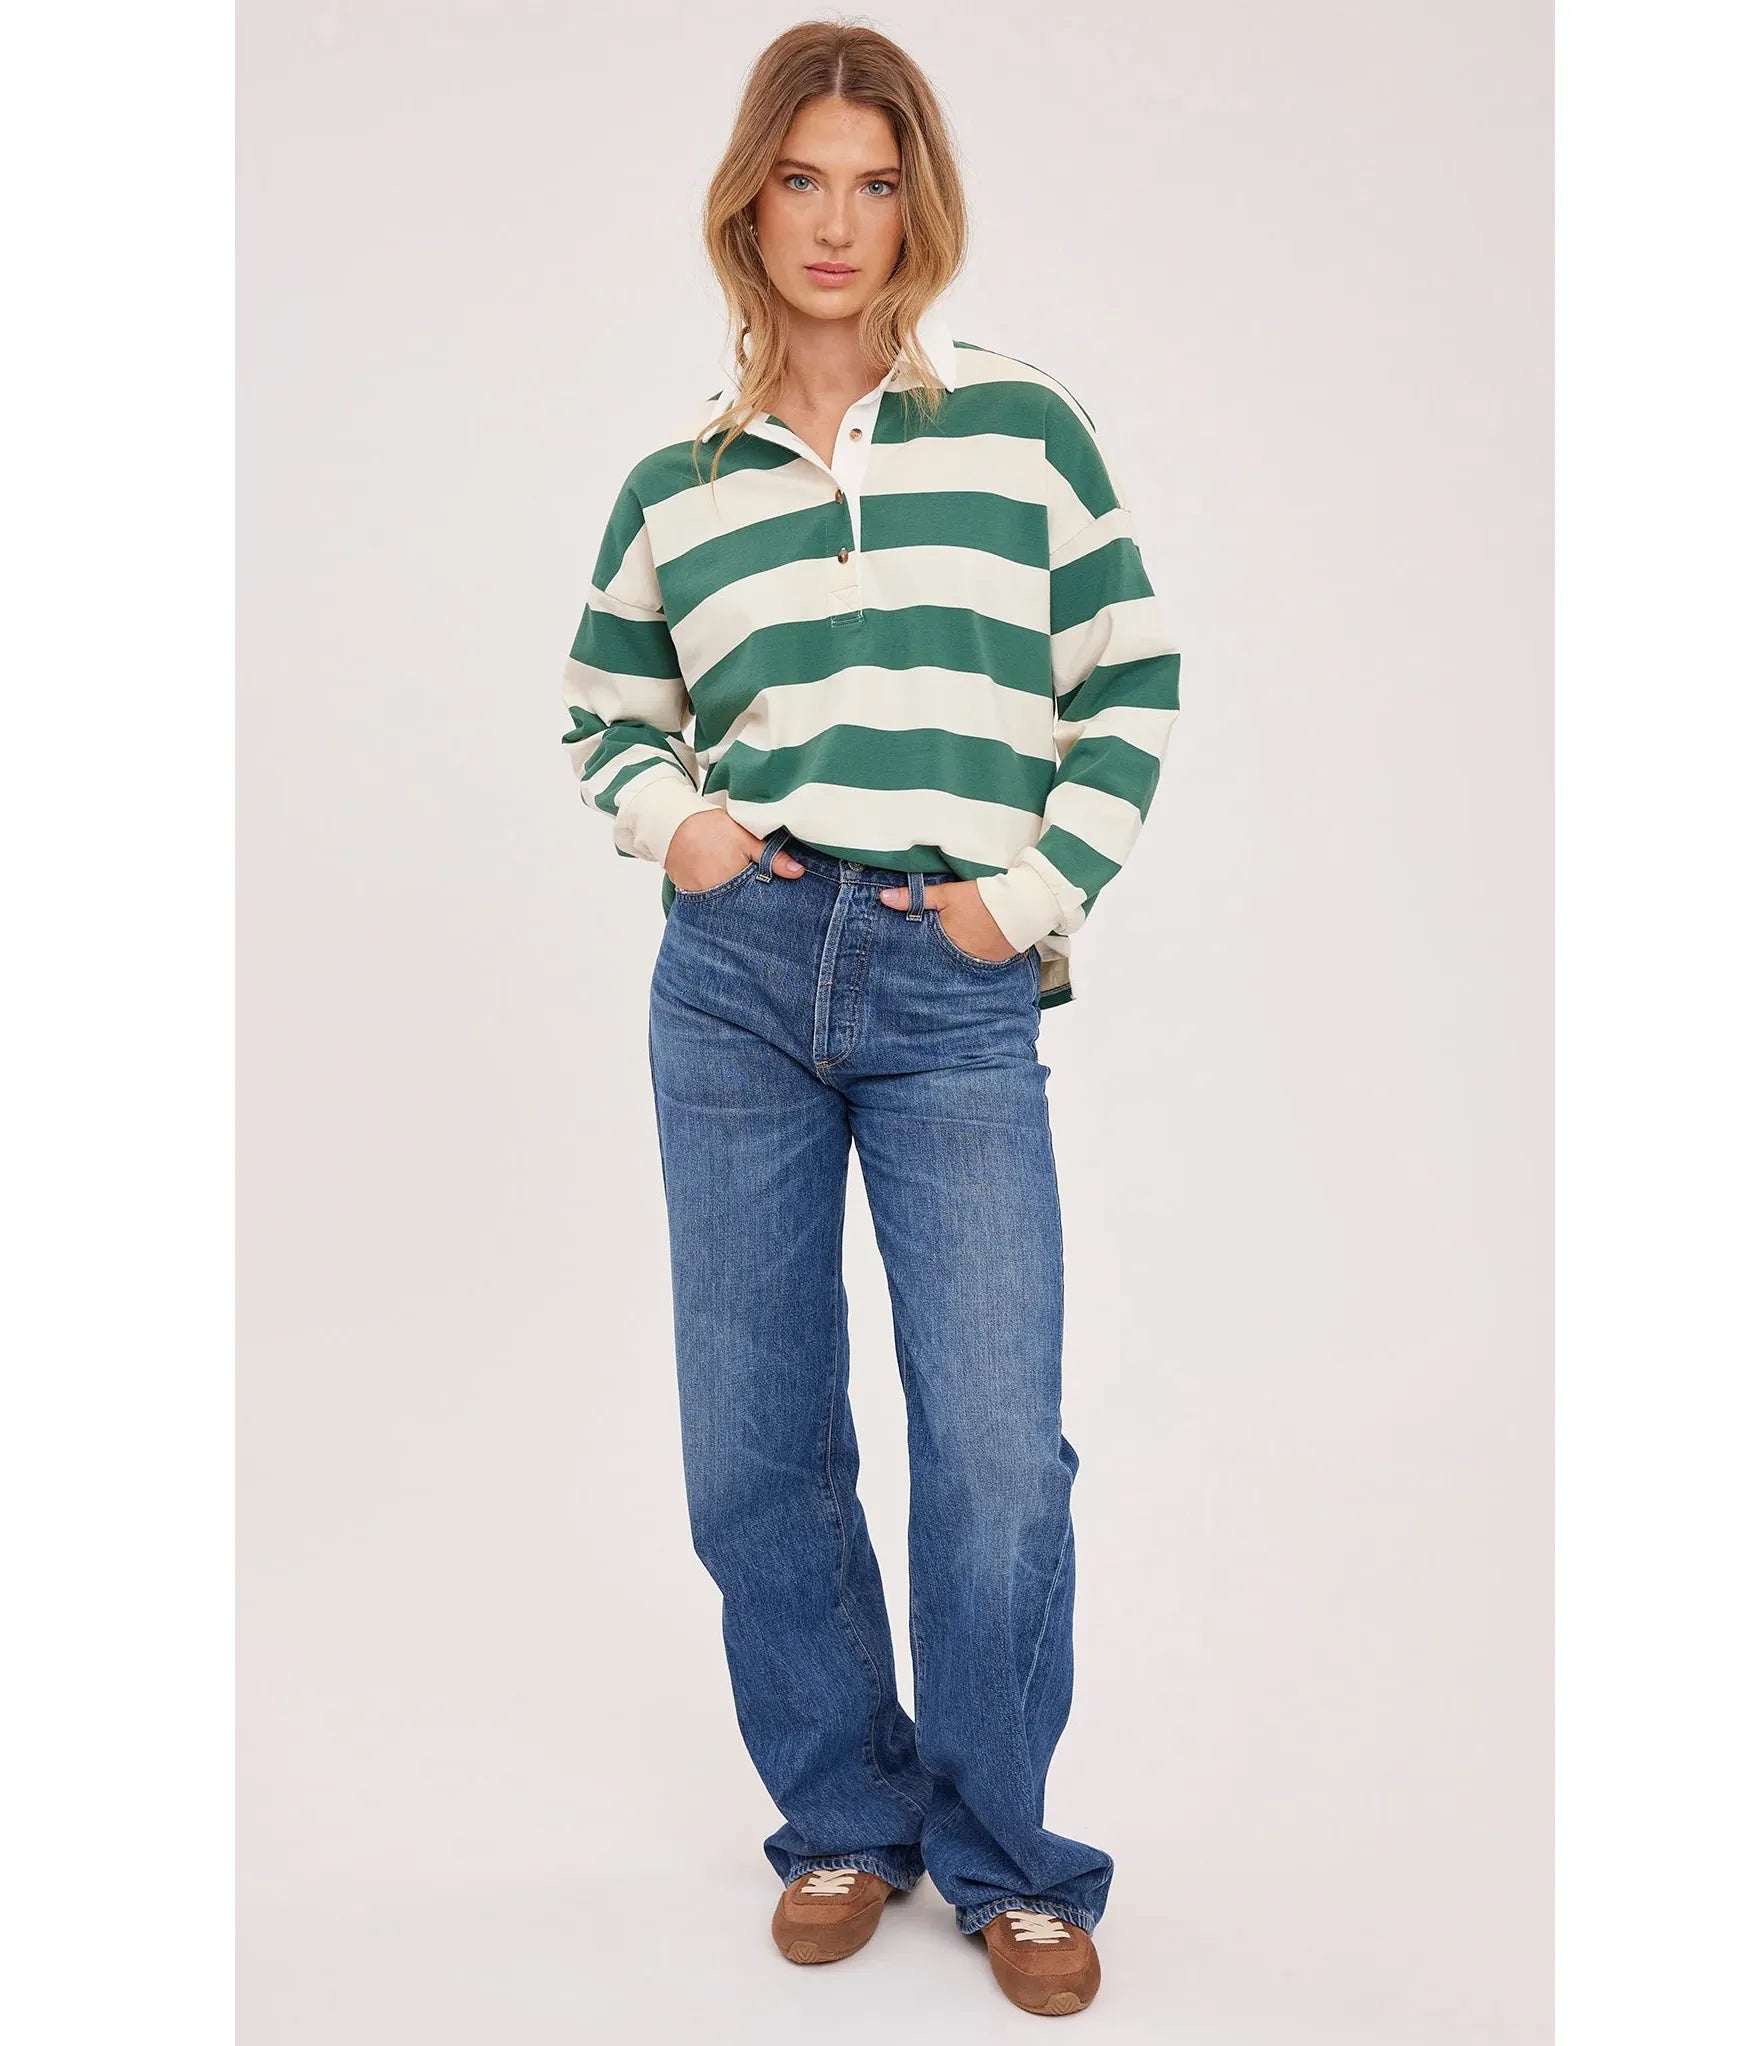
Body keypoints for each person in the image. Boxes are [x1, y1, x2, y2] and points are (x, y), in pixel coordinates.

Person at [559, 20, 1180, 2020]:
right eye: (804, 178)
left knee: (995, 1450)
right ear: (750, 201)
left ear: (921, 206)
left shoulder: (1019, 432)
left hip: (950, 977)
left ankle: (1006, 1854)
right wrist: (680, 830)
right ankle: (841, 1813)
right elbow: (605, 709)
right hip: (737, 979)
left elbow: (1131, 676)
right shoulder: (677, 482)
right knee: (754, 1436)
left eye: (877, 182)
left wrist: (1028, 893)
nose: (838, 221)